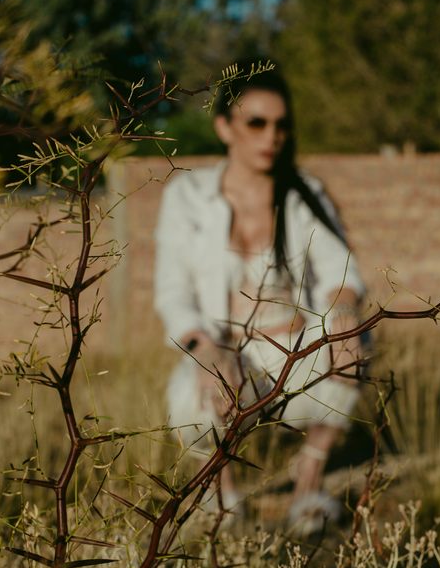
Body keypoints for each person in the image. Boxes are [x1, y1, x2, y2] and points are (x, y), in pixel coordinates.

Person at [153, 63, 366, 533]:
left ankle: (307, 483)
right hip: (226, 350)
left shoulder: (303, 192)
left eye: (281, 124)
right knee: (192, 401)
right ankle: (222, 496)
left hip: (296, 346)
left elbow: (341, 268)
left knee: (352, 345)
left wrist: (345, 314)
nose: (272, 136)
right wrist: (206, 350)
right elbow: (172, 292)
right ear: (224, 127)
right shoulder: (187, 195)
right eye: (256, 122)